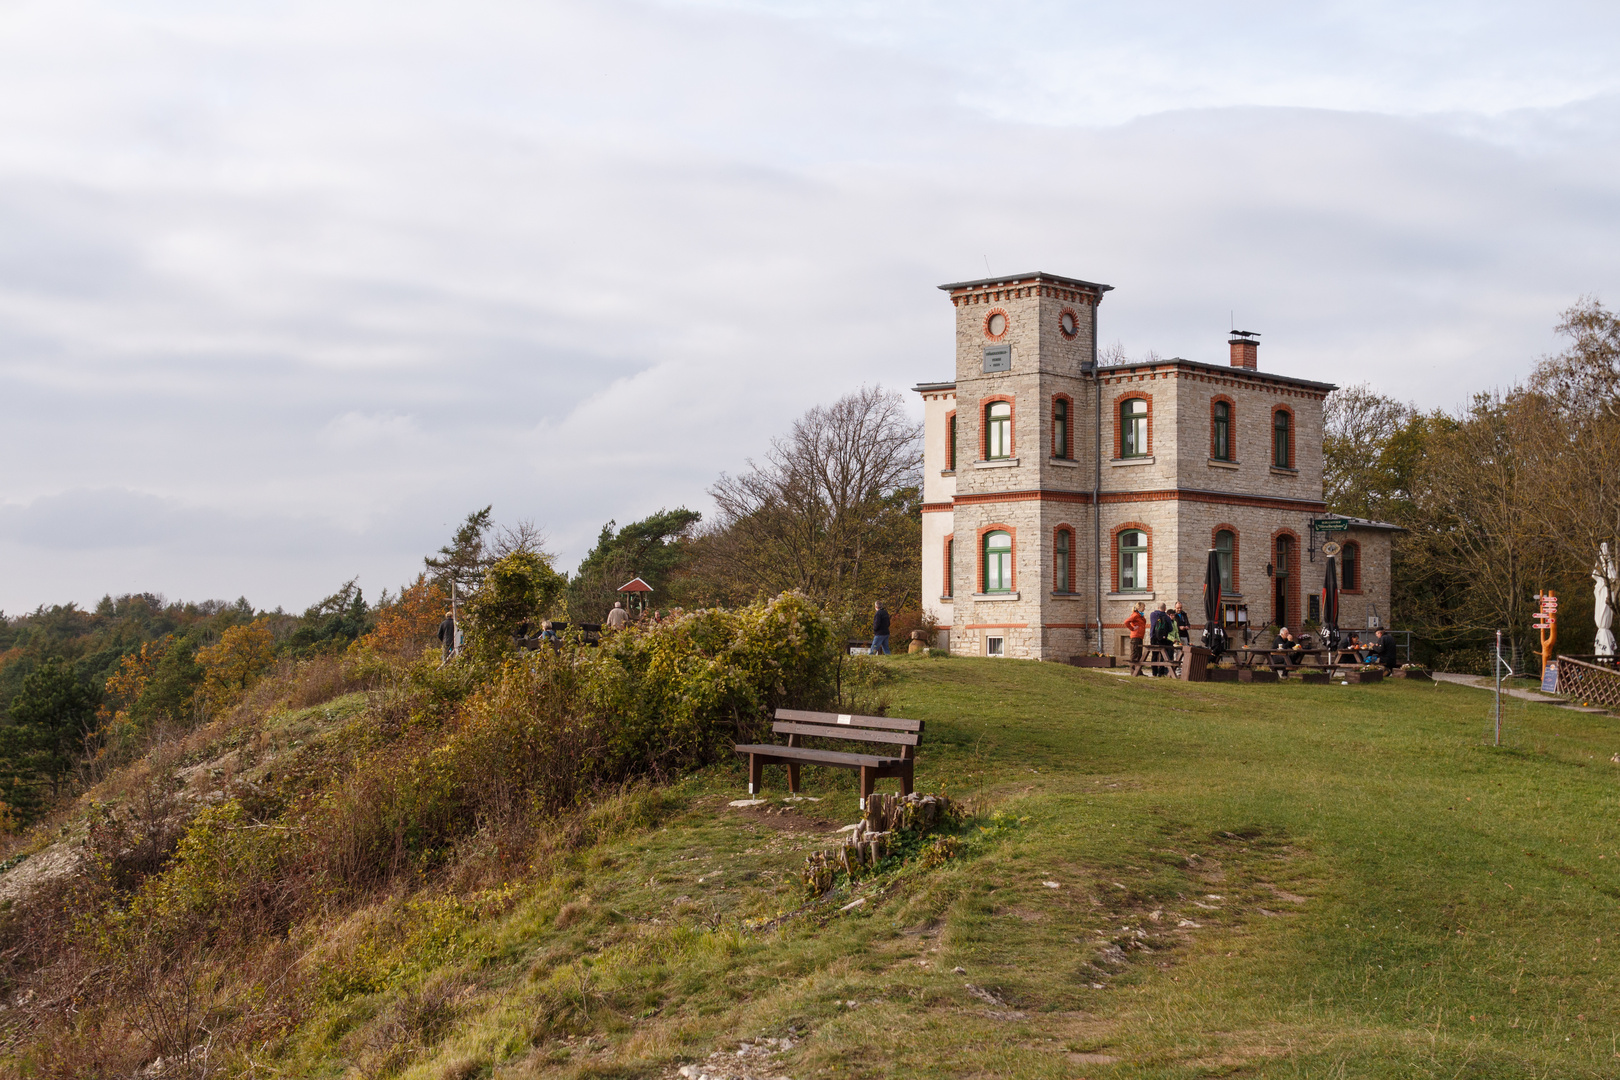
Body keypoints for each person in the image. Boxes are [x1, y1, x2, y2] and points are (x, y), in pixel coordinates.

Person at [1125, 602, 1148, 674]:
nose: (1144, 608)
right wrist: (1132, 628)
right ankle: (1133, 671)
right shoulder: (1135, 615)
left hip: (1140, 637)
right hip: (1135, 637)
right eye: (1143, 607)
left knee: (1139, 655)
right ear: (1139, 608)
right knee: (1134, 654)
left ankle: (1138, 671)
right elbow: (1126, 622)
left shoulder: (1140, 616)